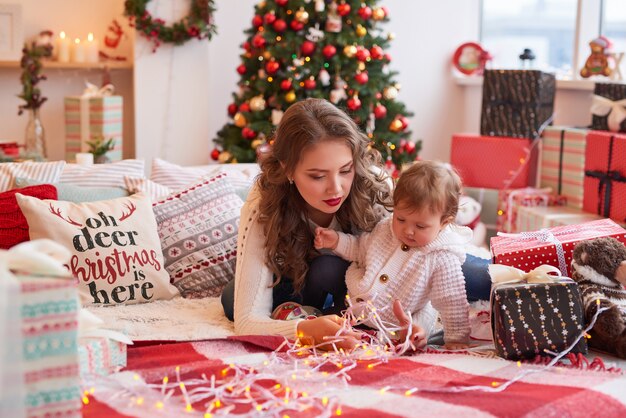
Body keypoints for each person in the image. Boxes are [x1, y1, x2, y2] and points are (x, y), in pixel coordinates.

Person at [220, 98, 490, 349]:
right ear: (288, 169)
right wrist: (304, 330)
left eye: (345, 170)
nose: (336, 189)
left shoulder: (374, 185)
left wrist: (419, 326)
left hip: (374, 280)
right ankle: (326, 313)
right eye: (317, 176)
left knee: (481, 275)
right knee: (233, 300)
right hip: (305, 284)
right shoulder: (264, 203)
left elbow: (422, 267)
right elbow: (247, 321)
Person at [315, 160, 472, 349]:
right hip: (353, 306)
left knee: (411, 339)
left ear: (444, 223)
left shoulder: (442, 257)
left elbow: (452, 301)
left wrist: (456, 339)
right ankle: (306, 311)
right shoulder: (387, 229)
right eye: (401, 219)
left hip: (394, 325)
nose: (408, 231)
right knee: (323, 273)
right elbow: (361, 249)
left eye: (420, 226)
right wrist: (337, 241)